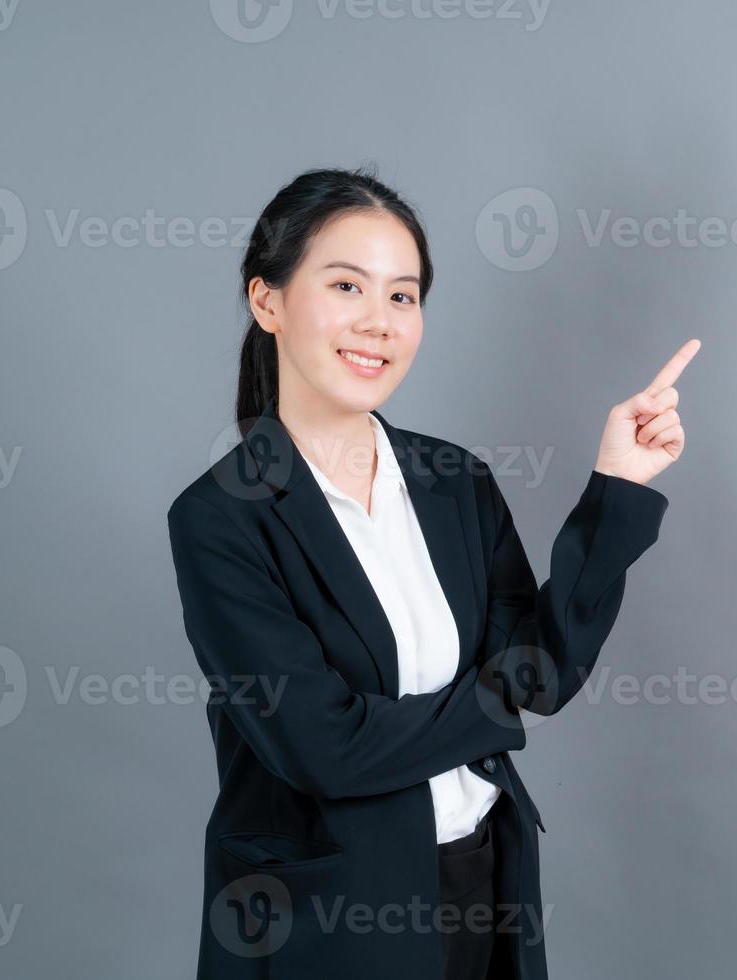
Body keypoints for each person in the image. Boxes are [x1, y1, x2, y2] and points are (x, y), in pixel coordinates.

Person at [165, 166, 698, 979]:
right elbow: (326, 749)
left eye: (403, 297)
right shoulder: (219, 518)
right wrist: (495, 707)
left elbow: (543, 672)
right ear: (267, 301)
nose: (378, 322)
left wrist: (615, 493)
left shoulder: (456, 481)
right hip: (328, 922)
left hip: (485, 885)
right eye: (347, 286)